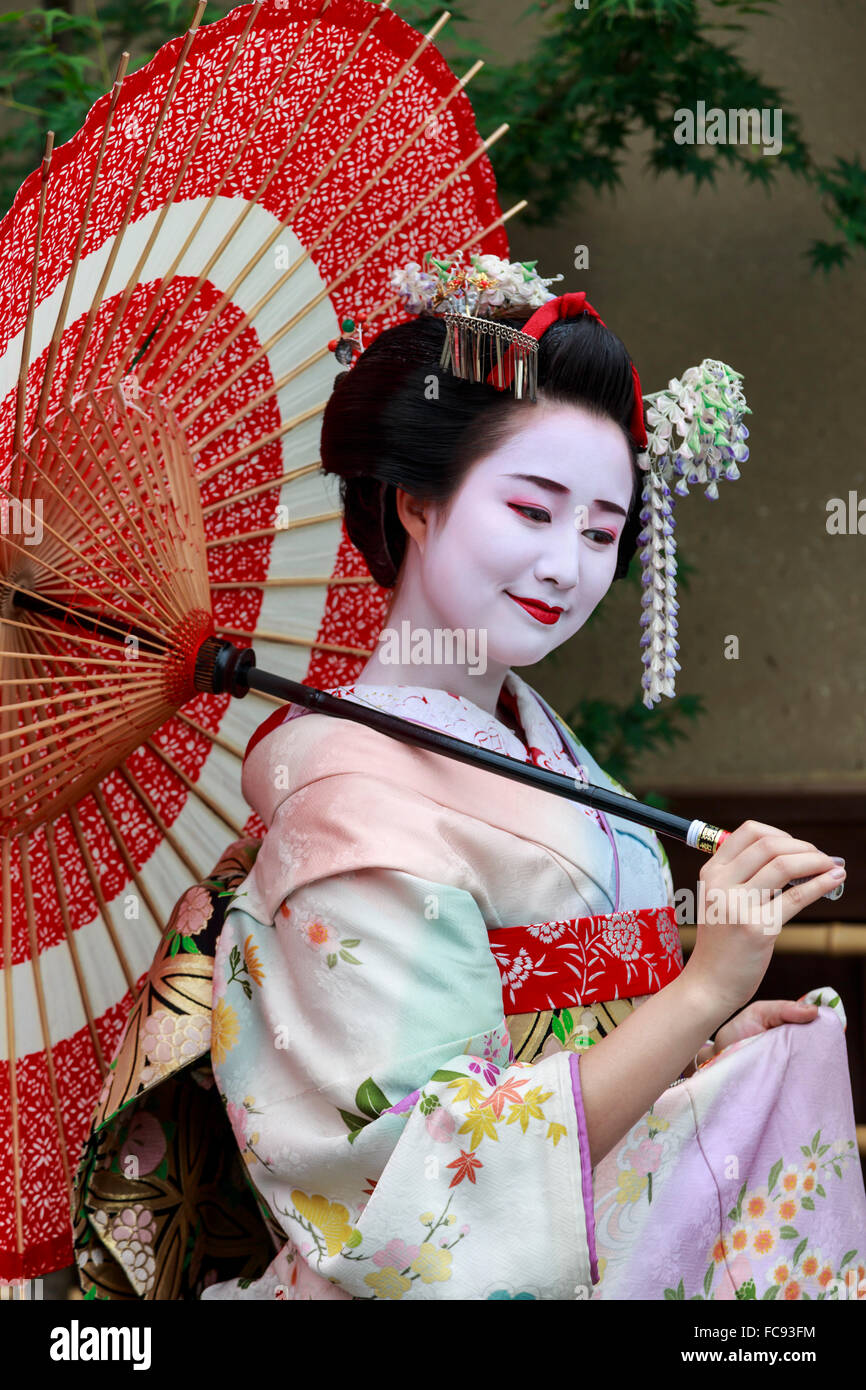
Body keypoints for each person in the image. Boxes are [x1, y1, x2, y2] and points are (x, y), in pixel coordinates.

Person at [72, 265, 865, 1301]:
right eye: (531, 510)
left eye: (597, 531)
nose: (565, 567)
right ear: (416, 504)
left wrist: (700, 1043)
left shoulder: (528, 738)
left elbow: (571, 1030)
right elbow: (420, 1180)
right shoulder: (346, 810)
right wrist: (701, 990)